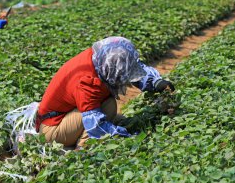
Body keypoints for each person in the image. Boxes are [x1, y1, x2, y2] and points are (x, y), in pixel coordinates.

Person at [36, 36, 175, 149]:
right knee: (107, 108)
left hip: (64, 115)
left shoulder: (101, 57)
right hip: (51, 129)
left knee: (109, 104)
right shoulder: (87, 81)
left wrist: (156, 82)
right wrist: (126, 137)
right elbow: (95, 124)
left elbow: (129, 67)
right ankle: (83, 149)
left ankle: (80, 137)